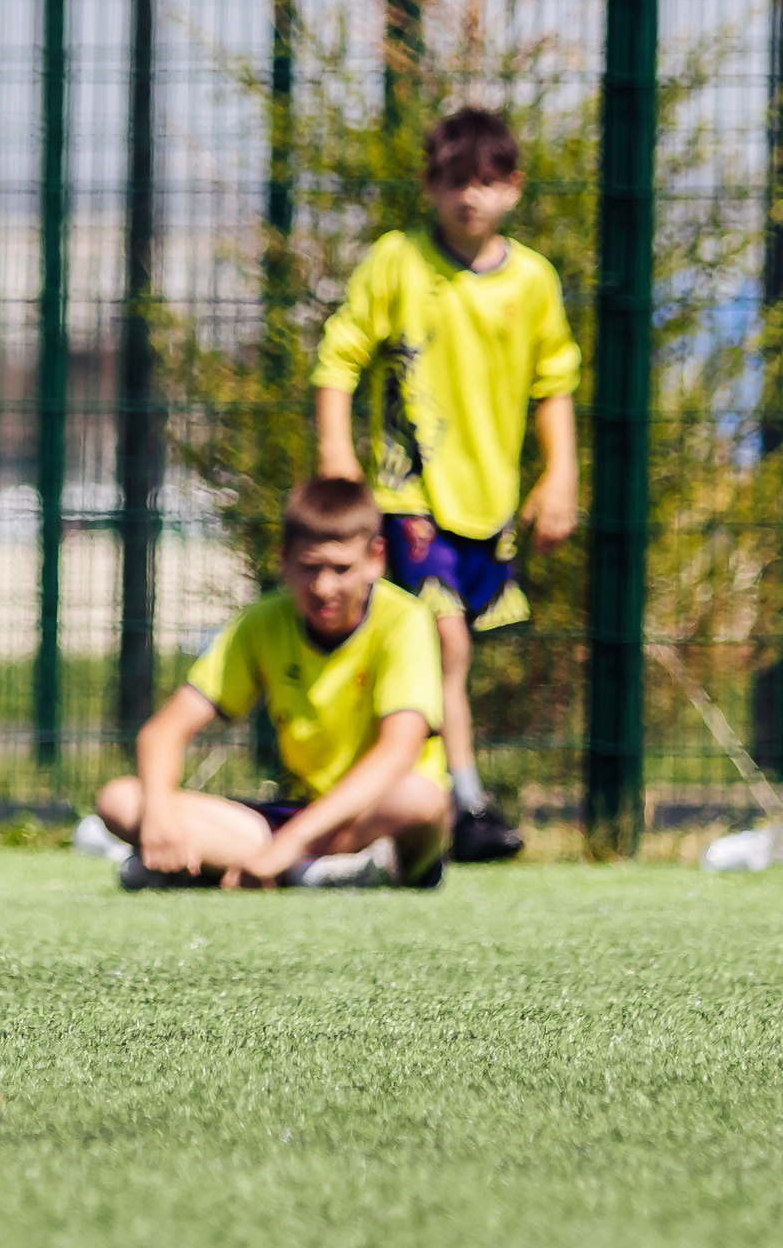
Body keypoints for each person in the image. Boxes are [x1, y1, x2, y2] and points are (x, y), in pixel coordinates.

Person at [313, 107, 580, 861]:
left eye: (488, 183)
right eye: (456, 182)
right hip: (409, 498)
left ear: (514, 190)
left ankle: (412, 801)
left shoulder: (531, 281)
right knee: (443, 640)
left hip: (486, 502)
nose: (471, 198)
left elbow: (552, 382)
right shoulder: (396, 263)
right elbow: (339, 358)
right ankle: (460, 800)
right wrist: (338, 454)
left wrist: (559, 475)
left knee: (439, 652)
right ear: (431, 187)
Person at [95, 477, 452, 889]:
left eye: (341, 568)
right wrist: (157, 818)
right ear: (284, 559)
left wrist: (293, 842)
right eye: (309, 568)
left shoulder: (404, 620)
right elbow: (161, 734)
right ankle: (310, 874)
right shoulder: (261, 621)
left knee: (421, 801)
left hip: (371, 816)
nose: (324, 588)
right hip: (293, 817)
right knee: (121, 800)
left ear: (375, 559)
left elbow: (398, 753)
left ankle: (236, 867)